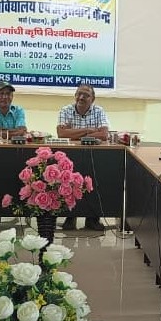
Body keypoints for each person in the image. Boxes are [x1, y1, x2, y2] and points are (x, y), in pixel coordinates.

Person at [56, 83, 109, 231]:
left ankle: (92, 219)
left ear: (93, 99)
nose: (81, 97)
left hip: (95, 155)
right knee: (69, 182)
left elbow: (104, 134)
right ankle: (70, 217)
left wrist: (74, 133)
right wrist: (88, 130)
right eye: (79, 94)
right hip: (71, 155)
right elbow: (62, 134)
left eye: (86, 95)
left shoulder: (99, 111)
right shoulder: (66, 110)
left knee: (95, 182)